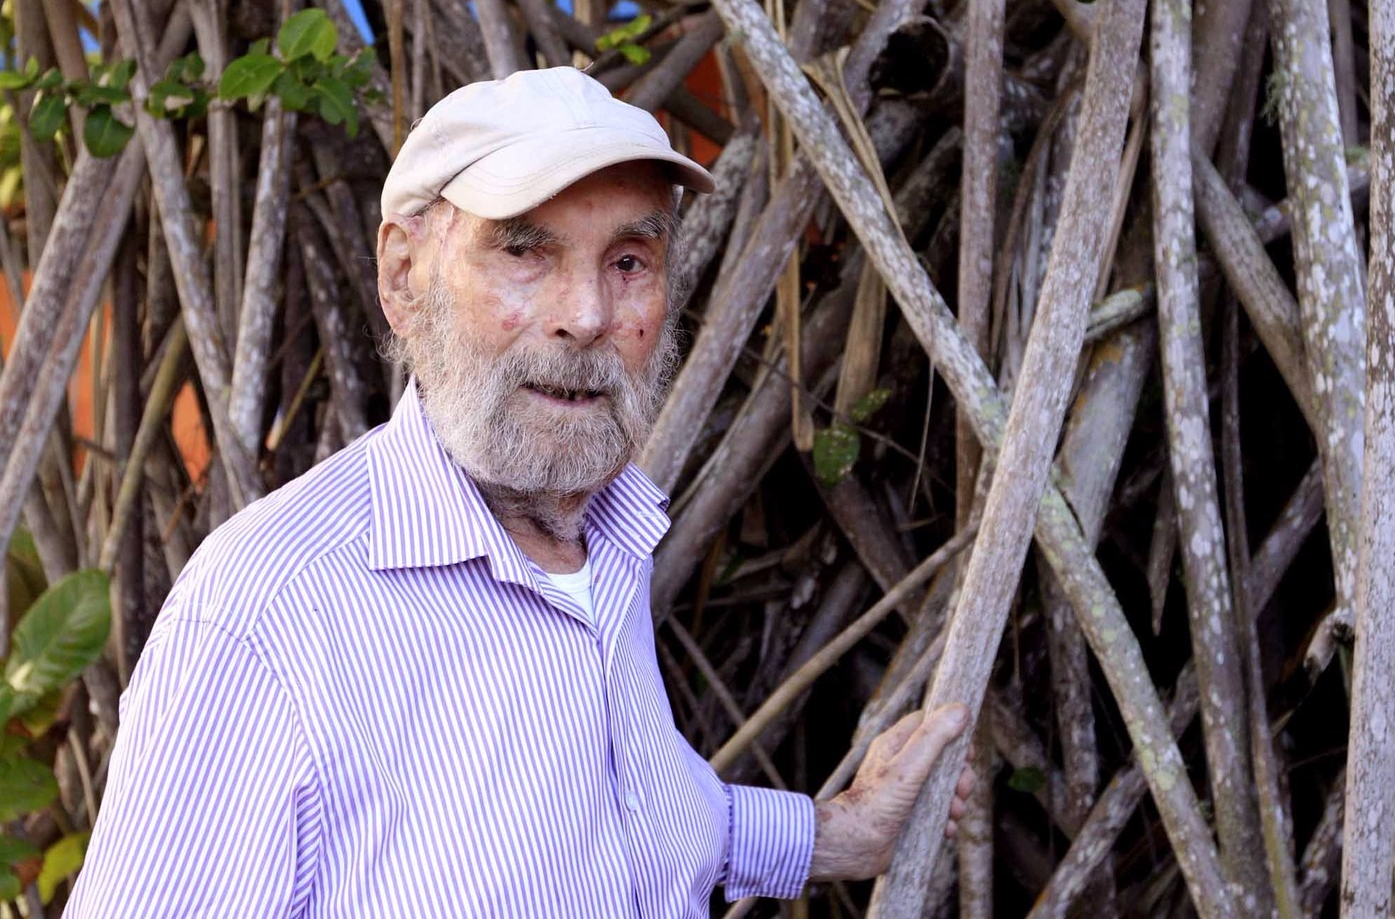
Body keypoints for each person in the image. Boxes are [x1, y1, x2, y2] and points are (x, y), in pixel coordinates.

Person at [69, 67, 972, 916]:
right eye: (525, 252)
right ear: (403, 276)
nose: (585, 314)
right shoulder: (272, 609)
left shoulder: (606, 537)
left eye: (628, 261)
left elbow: (628, 815)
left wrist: (841, 831)